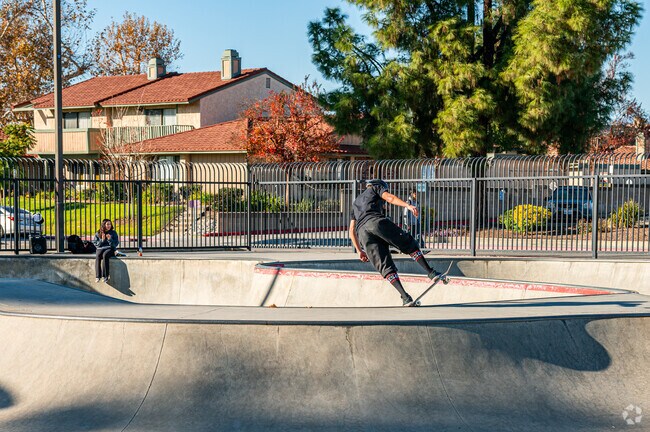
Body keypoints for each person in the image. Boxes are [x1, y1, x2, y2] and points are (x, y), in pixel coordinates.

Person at [349, 179, 441, 306]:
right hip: (375, 222)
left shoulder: (355, 203)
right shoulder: (375, 188)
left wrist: (360, 250)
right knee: (408, 243)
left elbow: (351, 230)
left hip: (363, 234)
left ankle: (405, 297)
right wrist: (407, 205)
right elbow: (389, 198)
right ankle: (431, 272)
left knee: (384, 265)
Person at [93, 218, 119, 283]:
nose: (109, 226)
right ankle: (98, 276)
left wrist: (110, 239)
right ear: (104, 225)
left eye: (110, 224)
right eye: (107, 224)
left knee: (105, 255)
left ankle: (105, 276)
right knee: (98, 256)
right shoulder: (98, 233)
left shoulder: (113, 233)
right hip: (100, 249)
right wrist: (102, 240)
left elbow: (115, 244)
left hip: (109, 249)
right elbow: (96, 244)